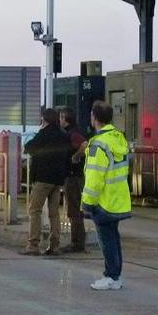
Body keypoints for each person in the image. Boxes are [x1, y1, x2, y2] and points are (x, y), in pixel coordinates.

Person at [82, 101, 131, 291]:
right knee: (113, 238)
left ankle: (111, 276)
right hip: (118, 198)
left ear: (94, 118)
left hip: (103, 201)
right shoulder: (118, 138)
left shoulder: (98, 144)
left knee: (106, 240)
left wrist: (88, 203)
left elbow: (94, 177)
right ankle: (115, 275)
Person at [21, 108, 70, 256]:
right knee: (54, 213)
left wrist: (41, 130)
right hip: (57, 180)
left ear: (45, 119)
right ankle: (54, 245)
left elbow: (28, 148)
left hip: (42, 178)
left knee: (35, 210)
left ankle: (33, 245)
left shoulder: (43, 134)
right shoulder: (63, 135)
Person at [60, 107, 89, 253]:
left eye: (61, 117)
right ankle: (77, 241)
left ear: (65, 119)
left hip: (73, 176)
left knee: (74, 209)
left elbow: (84, 145)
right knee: (74, 208)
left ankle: (77, 242)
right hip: (73, 175)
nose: (60, 120)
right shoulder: (72, 132)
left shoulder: (73, 133)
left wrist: (76, 156)